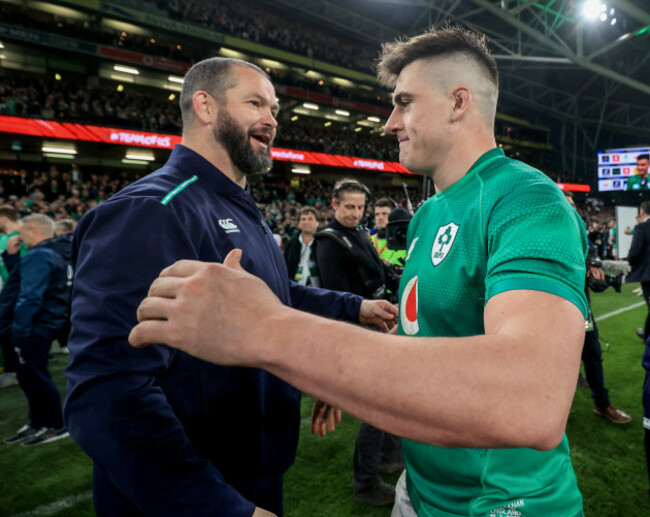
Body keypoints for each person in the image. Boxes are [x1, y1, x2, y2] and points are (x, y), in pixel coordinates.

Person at [131, 27, 589, 517]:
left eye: (404, 102)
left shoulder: (525, 198)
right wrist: (338, 374)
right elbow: (431, 342)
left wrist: (268, 331)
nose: (390, 123)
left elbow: (532, 398)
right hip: (421, 490)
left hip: (503, 503)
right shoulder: (429, 215)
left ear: (459, 102)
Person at [64, 57, 397, 517]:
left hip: (255, 470)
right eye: (255, 103)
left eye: (275, 109)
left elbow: (275, 297)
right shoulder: (153, 210)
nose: (272, 120)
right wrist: (217, 507)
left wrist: (352, 309)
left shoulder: (239, 205)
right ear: (204, 105)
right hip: (204, 493)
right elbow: (107, 392)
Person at [314, 179, 402, 507]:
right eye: (349, 207)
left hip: (379, 321)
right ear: (334, 206)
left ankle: (390, 456)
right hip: (363, 329)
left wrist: (397, 278)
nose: (355, 213)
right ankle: (365, 482)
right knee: (377, 405)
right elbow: (338, 296)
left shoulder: (357, 234)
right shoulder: (329, 241)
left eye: (360, 207)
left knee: (391, 398)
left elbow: (379, 270)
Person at [2, 214, 72, 446]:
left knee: (35, 376)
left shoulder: (41, 254)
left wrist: (20, 330)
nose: (19, 238)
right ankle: (39, 421)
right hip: (47, 322)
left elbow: (30, 296)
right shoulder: (58, 251)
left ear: (33, 230)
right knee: (29, 376)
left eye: (21, 233)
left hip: (33, 327)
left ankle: (56, 424)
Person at [564, 193, 631, 425]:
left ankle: (602, 404)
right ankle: (552, 411)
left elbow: (593, 260)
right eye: (567, 204)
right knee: (555, 360)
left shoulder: (581, 236)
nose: (573, 210)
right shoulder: (545, 234)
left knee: (593, 354)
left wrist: (594, 270)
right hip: (554, 313)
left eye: (574, 206)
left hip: (582, 310)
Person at [626, 200, 650, 340]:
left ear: (642, 211)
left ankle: (647, 336)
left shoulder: (642, 228)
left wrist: (628, 266)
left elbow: (634, 253)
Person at [283, 206, 320, 286]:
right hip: (294, 290)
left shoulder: (323, 244)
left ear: (317, 223)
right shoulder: (290, 244)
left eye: (310, 219)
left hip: (318, 292)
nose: (306, 222)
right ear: (299, 223)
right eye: (303, 219)